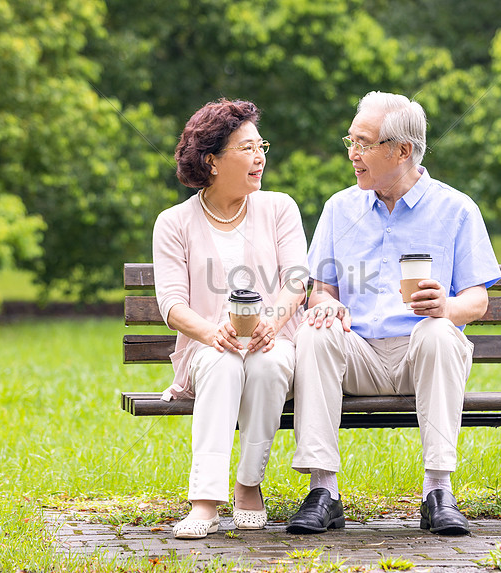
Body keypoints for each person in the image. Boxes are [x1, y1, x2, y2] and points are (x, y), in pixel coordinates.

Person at [286, 91, 501, 536]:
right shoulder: (338, 208)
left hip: (421, 354)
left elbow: (477, 301)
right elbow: (319, 291)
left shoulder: (456, 209)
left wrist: (446, 306)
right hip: (358, 353)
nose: (352, 154)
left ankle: (438, 492)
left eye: (363, 143)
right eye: (351, 140)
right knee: (313, 332)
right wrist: (326, 305)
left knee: (440, 332)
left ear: (402, 150)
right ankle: (323, 491)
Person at [152, 99, 308, 539]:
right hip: (206, 349)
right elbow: (172, 304)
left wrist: (272, 324)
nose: (259, 157)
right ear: (212, 161)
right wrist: (210, 331)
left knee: (269, 363)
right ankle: (204, 501)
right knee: (222, 362)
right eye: (247, 148)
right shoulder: (174, 222)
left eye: (262, 146)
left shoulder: (279, 208)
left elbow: (297, 280)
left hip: (272, 339)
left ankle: (247, 484)